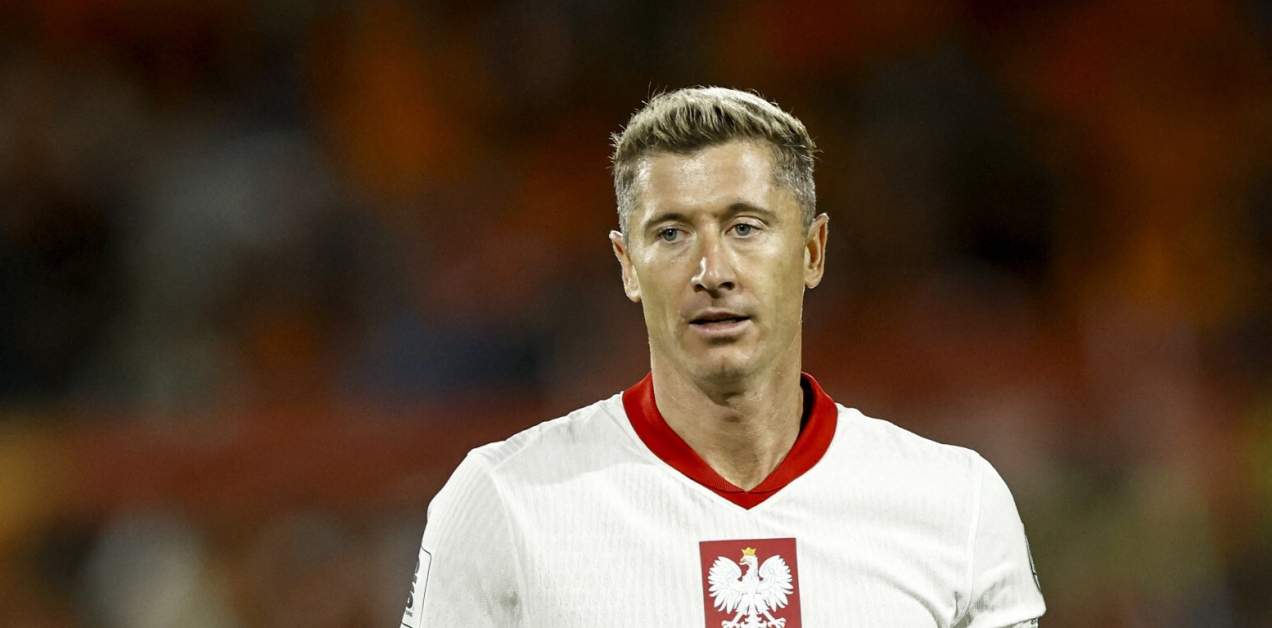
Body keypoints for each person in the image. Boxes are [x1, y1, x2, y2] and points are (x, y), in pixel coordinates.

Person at [400, 87, 1045, 627]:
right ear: (628, 265)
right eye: (672, 233)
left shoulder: (957, 504)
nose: (712, 271)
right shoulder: (504, 502)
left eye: (745, 227)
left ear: (813, 252)